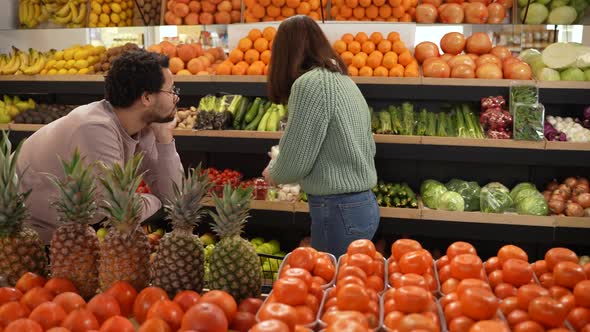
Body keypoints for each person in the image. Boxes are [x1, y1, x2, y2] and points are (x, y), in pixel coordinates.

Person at [17, 49, 184, 244]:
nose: (176, 98)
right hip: (28, 237)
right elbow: (116, 211)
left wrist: (164, 137)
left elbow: (174, 198)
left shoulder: (143, 127)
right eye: (172, 90)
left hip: (69, 236)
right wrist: (155, 200)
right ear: (147, 98)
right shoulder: (94, 128)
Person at [263, 15, 379, 258]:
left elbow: (296, 160)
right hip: (363, 205)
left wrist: (273, 173)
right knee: (350, 286)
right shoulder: (343, 80)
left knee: (331, 288)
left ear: (284, 54)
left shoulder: (310, 85)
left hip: (337, 210)